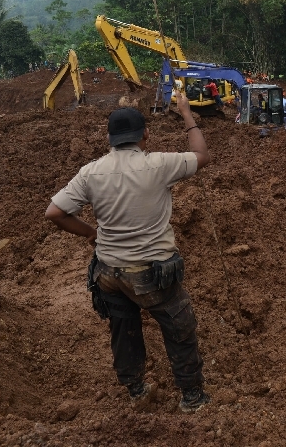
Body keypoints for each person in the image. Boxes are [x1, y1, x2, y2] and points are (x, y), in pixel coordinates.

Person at [45, 92, 211, 413]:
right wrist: (187, 114)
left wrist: (93, 234)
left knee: (124, 327)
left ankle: (136, 388)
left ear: (109, 139)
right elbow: (202, 155)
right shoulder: (159, 164)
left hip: (109, 273)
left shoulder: (90, 172)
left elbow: (54, 213)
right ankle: (192, 396)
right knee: (179, 325)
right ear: (145, 135)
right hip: (151, 273)